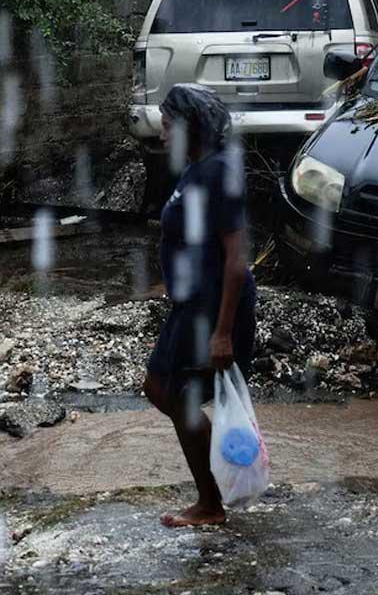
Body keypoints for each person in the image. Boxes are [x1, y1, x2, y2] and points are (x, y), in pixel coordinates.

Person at [143, 83, 257, 528]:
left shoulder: (218, 171)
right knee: (161, 389)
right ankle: (218, 491)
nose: (164, 136)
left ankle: (213, 501)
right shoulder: (198, 168)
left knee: (174, 393)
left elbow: (235, 259)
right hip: (190, 305)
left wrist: (223, 331)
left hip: (212, 307)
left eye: (169, 127)